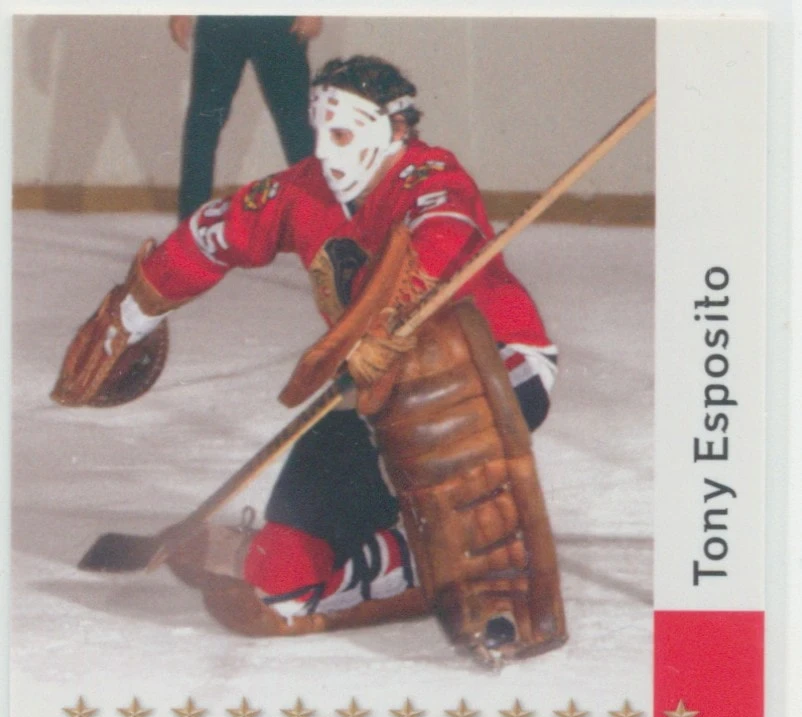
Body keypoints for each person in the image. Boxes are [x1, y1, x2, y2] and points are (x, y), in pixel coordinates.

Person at [57, 55, 562, 654]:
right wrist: (132, 315)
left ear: (396, 130)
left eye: (342, 135)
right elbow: (212, 233)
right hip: (370, 387)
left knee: (432, 419)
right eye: (319, 132)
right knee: (281, 584)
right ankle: (412, 558)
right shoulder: (303, 191)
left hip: (493, 365)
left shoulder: (433, 180)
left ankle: (470, 567)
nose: (323, 152)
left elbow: (440, 239)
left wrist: (383, 328)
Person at [169, 15, 323, 220]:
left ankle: (321, 223)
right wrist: (181, 10)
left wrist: (313, 8)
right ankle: (189, 225)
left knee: (298, 125)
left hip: (278, 16)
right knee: (204, 122)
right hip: (220, 17)